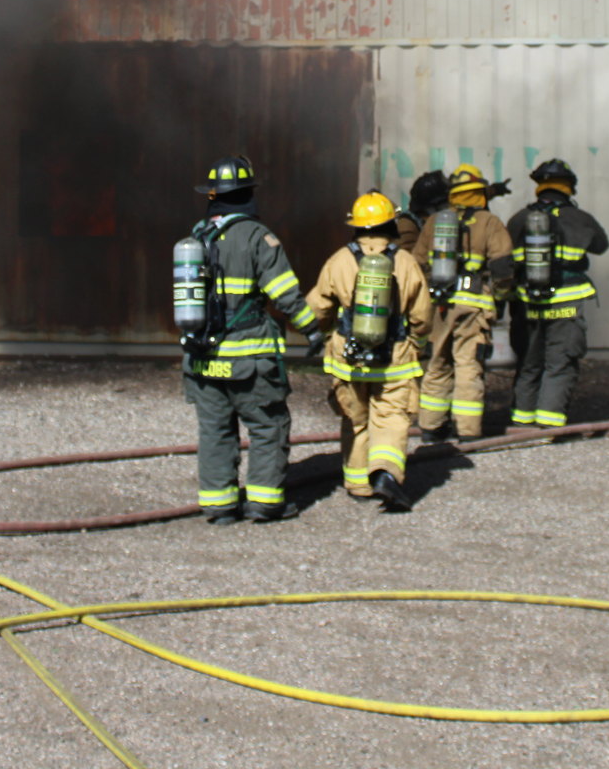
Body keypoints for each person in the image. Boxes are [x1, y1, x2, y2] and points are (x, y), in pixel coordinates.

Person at [181, 155, 321, 526]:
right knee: (268, 426)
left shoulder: (195, 238)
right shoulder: (258, 237)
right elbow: (285, 293)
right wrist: (312, 330)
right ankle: (264, 502)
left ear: (212, 195)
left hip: (202, 360)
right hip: (248, 360)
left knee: (215, 431)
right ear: (247, 194)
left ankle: (220, 507)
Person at [305, 190, 433, 511]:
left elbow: (318, 308)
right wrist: (417, 343)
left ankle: (358, 484)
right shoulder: (405, 262)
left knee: (356, 418)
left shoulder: (339, 260)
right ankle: (386, 473)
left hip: (349, 359)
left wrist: (326, 335)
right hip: (394, 359)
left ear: (357, 226)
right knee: (390, 417)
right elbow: (421, 315)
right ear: (391, 224)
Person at [411, 164, 514, 442]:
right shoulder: (489, 222)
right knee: (468, 365)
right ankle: (467, 432)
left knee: (437, 363)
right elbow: (503, 268)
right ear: (479, 192)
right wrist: (500, 300)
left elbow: (416, 264)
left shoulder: (434, 222)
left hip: (439, 304)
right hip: (473, 305)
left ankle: (431, 428)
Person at [506, 158, 609, 431]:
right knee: (560, 364)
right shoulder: (580, 219)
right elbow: (601, 245)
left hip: (528, 304)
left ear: (539, 186)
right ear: (569, 187)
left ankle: (521, 424)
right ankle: (549, 427)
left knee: (529, 363)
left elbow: (505, 262)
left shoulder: (519, 220)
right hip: (566, 305)